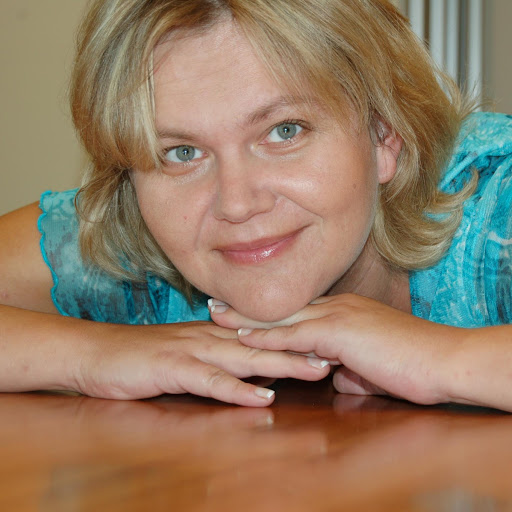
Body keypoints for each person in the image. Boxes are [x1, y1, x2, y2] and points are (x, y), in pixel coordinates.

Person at [1, 0, 511, 410]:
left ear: (384, 134)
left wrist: (446, 359)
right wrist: (93, 355)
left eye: (284, 131)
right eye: (182, 153)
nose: (238, 204)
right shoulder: (136, 244)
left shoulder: (495, 207)